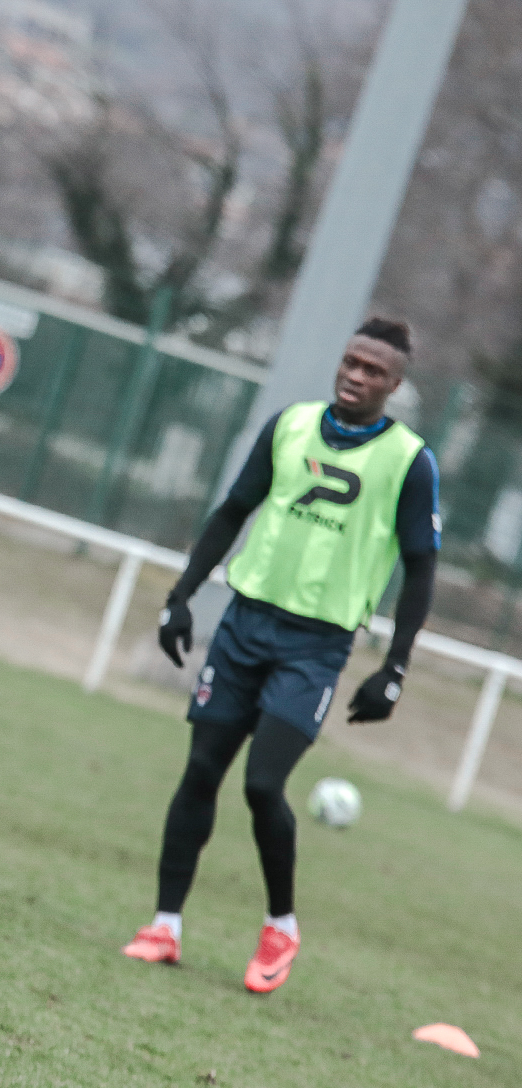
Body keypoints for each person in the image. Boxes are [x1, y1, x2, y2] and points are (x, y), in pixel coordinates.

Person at [123, 317, 439, 993]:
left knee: (262, 784)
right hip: (244, 626)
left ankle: (281, 926)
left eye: (373, 371)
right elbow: (233, 510)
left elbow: (420, 569)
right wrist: (181, 597)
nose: (356, 376)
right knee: (200, 771)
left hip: (316, 646)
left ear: (395, 385)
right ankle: (164, 926)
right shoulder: (290, 425)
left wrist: (395, 668)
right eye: (351, 361)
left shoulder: (410, 461)